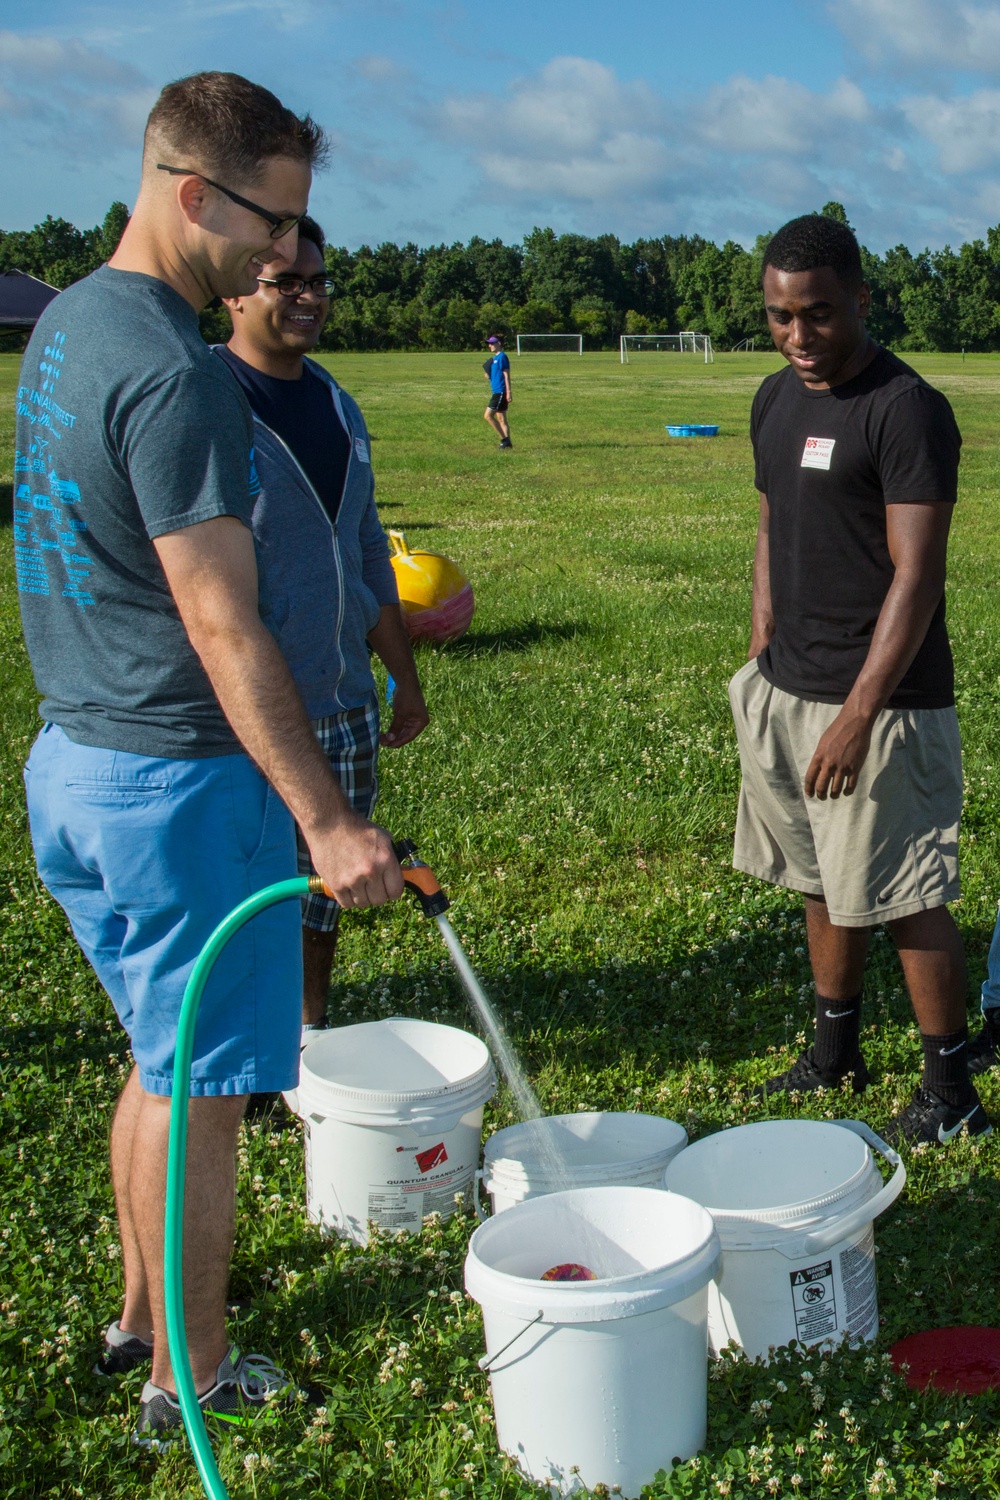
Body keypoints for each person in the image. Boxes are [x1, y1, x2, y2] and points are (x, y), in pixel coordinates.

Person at [15, 72, 403, 1448]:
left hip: (75, 761)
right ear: (197, 196)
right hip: (179, 786)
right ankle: (195, 1370)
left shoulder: (69, 325)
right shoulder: (177, 370)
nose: (283, 254)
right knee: (214, 1096)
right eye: (273, 221)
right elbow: (223, 621)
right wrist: (328, 821)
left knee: (156, 1063)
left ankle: (136, 1319)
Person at [728, 212, 989, 1147]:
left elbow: (917, 574)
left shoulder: (905, 407)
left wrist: (858, 713)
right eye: (780, 317)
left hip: (884, 705)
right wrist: (763, 641)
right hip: (789, 689)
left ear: (862, 302)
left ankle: (951, 1088)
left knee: (906, 890)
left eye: (820, 315)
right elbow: (771, 521)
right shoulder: (774, 398)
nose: (799, 337)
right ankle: (835, 1051)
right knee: (816, 879)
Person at [218, 215, 429, 1049]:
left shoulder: (338, 403)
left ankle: (306, 1037)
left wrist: (401, 678)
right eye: (284, 282)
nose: (307, 297)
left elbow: (367, 545)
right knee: (238, 896)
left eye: (317, 280)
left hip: (341, 700)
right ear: (235, 288)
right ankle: (233, 1050)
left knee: (319, 895)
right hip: (243, 711)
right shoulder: (207, 400)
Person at [483, 334, 512, 448]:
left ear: (498, 343)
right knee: (501, 419)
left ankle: (504, 440)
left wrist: (509, 392)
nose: (490, 345)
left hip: (500, 391)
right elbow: (495, 374)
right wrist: (489, 375)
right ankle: (508, 444)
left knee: (488, 416)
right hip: (496, 390)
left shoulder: (502, 357)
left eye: (492, 343)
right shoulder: (494, 358)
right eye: (489, 343)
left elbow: (506, 374)